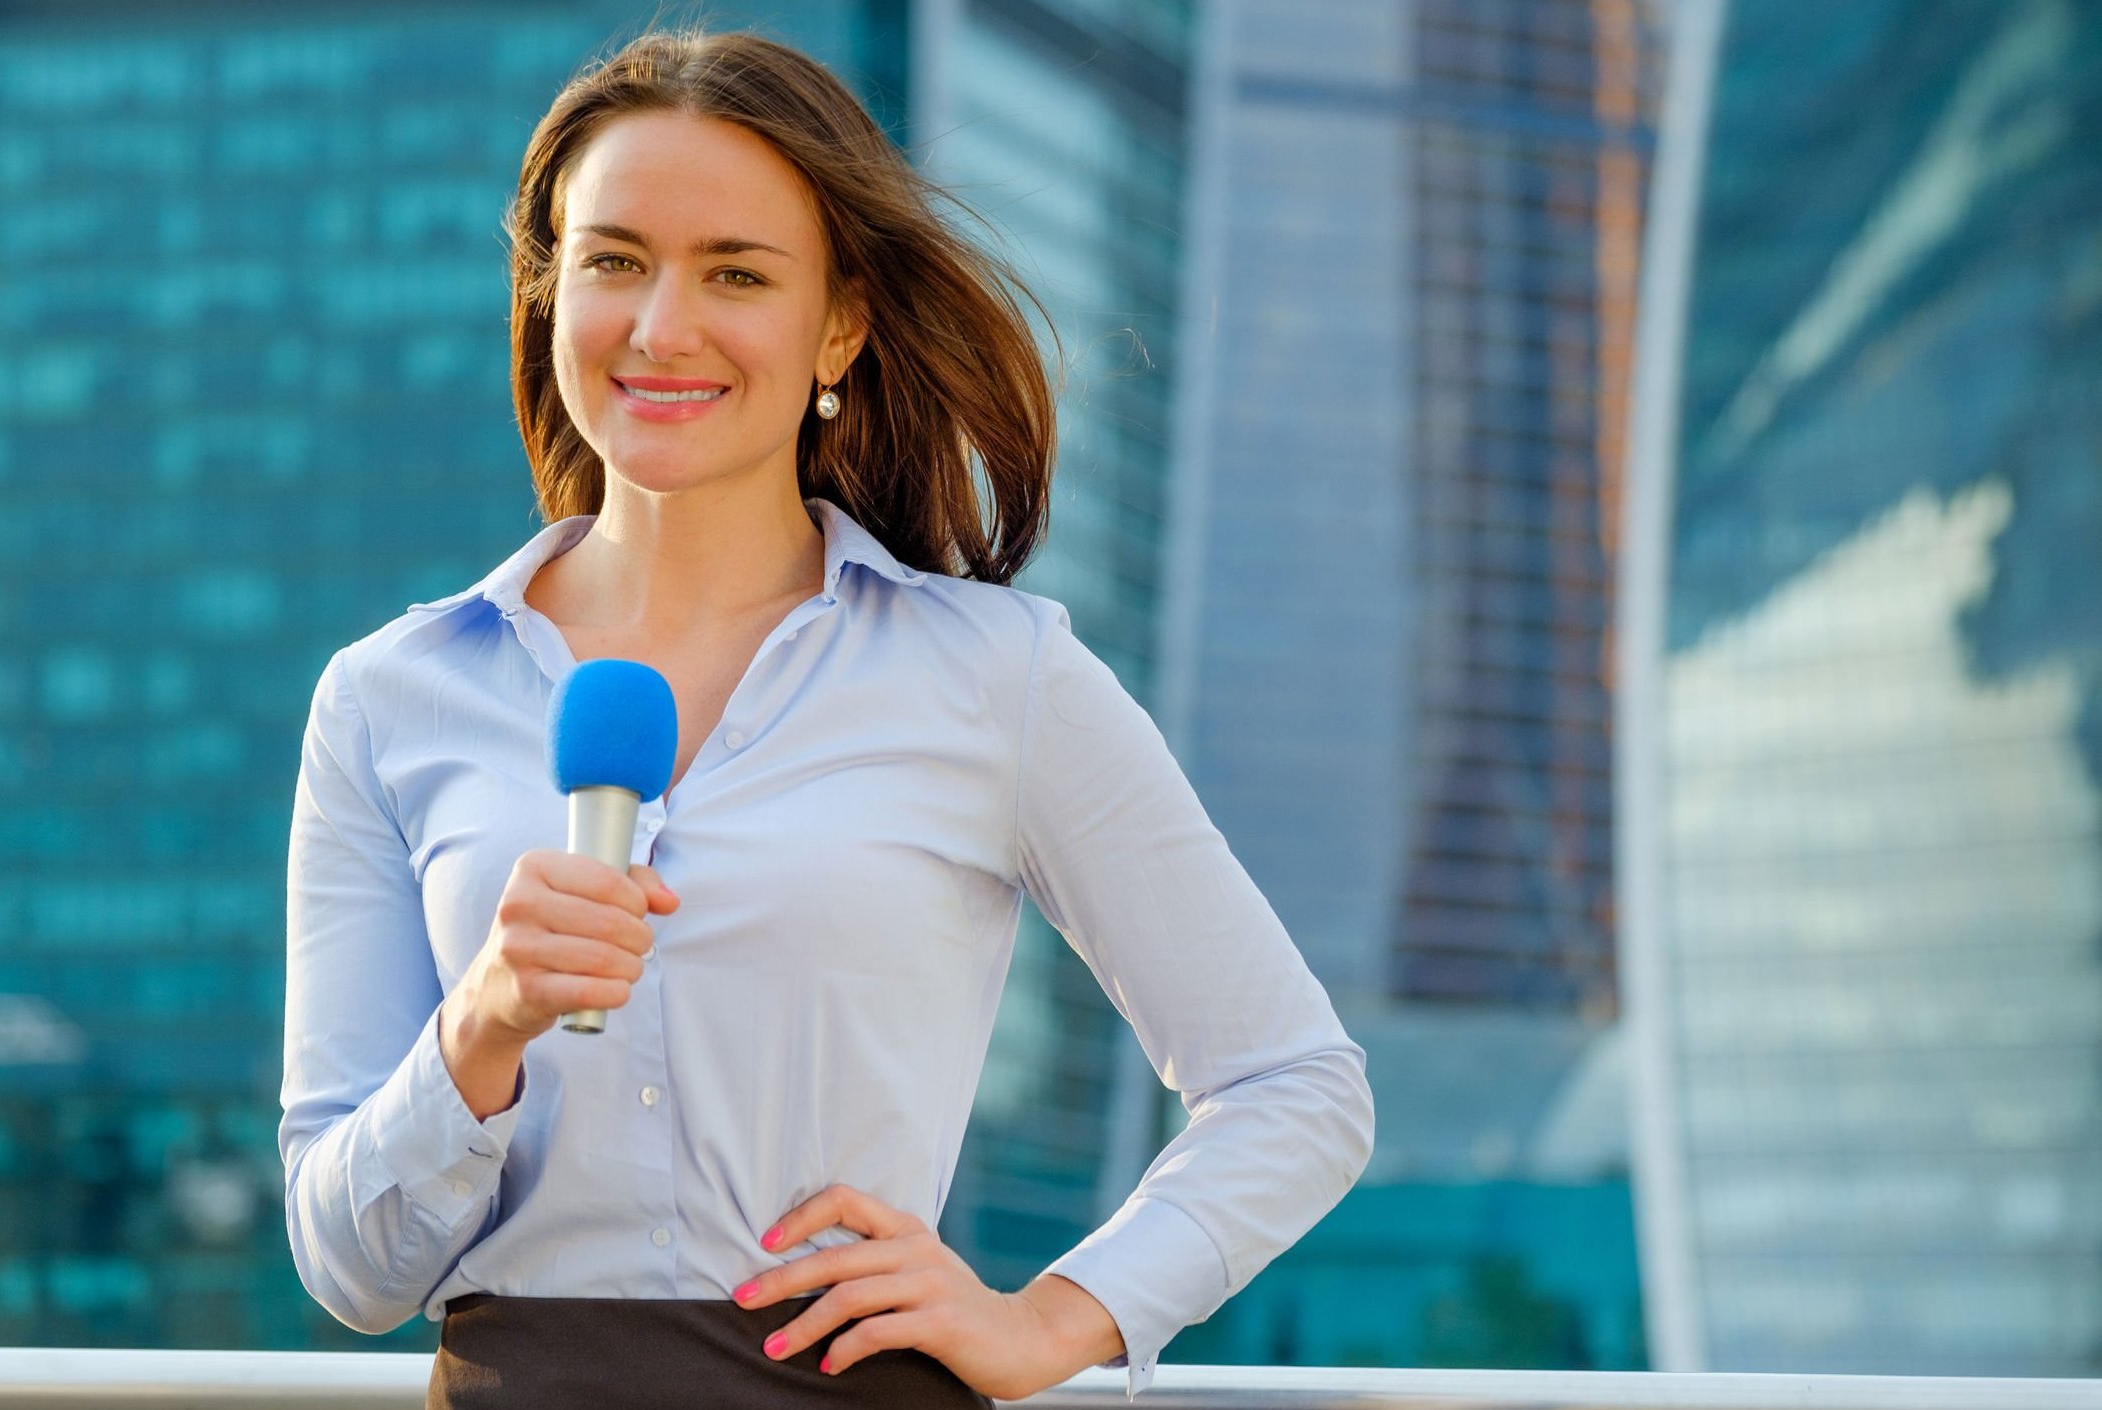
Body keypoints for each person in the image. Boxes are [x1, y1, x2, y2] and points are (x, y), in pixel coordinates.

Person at [279, 27, 1373, 1409]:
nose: (662, 325)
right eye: (614, 261)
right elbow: (349, 1263)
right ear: (551, 291)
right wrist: (483, 1024)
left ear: (838, 326)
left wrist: (1055, 1317)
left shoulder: (994, 674)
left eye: (734, 273)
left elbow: (1297, 1083)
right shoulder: (388, 696)